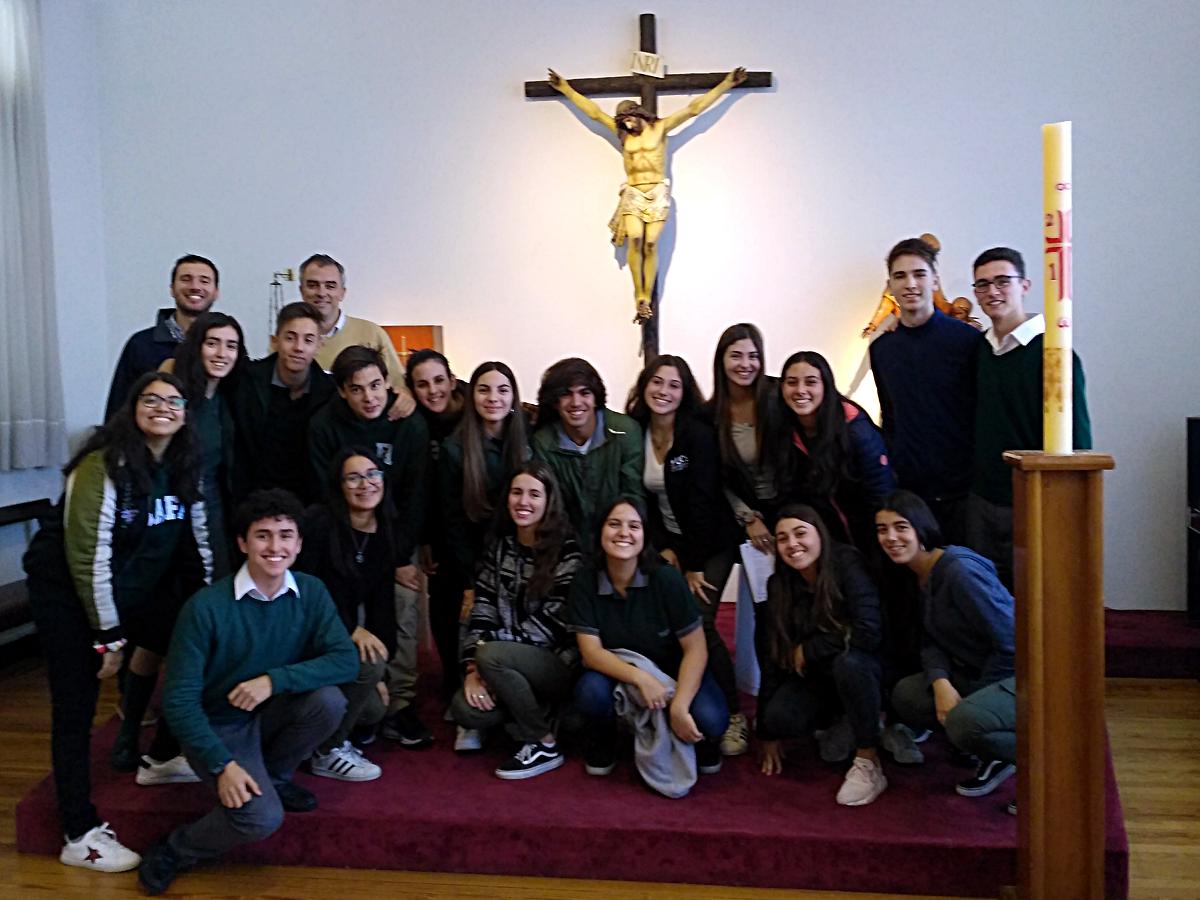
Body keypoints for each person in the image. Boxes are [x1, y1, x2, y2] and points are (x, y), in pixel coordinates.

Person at [23, 371, 212, 874]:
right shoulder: (101, 465)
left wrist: (209, 608)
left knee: (188, 639)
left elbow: (197, 543)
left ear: (186, 415)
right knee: (76, 703)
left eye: (174, 401)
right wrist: (108, 638)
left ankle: (161, 757)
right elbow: (88, 557)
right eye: (151, 399)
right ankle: (78, 833)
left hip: (129, 586)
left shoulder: (185, 466)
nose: (163, 407)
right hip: (68, 593)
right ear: (132, 408)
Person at [138, 489, 357, 894]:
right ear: (242, 543)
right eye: (263, 535)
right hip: (221, 725)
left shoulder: (311, 591)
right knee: (260, 819)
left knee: (329, 701)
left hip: (272, 710)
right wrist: (222, 764)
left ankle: (274, 777)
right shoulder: (205, 608)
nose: (275, 547)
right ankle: (176, 848)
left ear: (299, 543)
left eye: (286, 535)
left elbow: (346, 661)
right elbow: (179, 702)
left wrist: (274, 680)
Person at [547, 67, 747, 322]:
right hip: (633, 191)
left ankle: (647, 294)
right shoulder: (622, 132)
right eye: (623, 123)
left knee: (651, 242)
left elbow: (693, 109)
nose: (627, 125)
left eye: (629, 120)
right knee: (635, 237)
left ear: (638, 114)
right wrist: (565, 88)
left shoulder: (660, 128)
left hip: (657, 191)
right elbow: (594, 113)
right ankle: (639, 296)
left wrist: (727, 83)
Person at [307, 345, 431, 748]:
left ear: (388, 382)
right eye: (357, 389)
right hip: (339, 535)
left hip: (393, 535)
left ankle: (400, 702)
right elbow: (324, 491)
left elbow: (416, 493)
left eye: (376, 385)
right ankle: (361, 691)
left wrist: (399, 556)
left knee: (402, 603)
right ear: (342, 391)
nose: (369, 397)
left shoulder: (407, 421)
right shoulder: (324, 425)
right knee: (343, 607)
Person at [625, 354, 748, 757]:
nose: (664, 391)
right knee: (667, 617)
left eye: (674, 385)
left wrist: (693, 564)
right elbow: (646, 500)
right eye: (657, 382)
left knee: (702, 622)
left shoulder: (697, 434)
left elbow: (703, 502)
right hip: (671, 542)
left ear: (685, 392)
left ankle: (734, 713)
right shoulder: (637, 431)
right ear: (644, 385)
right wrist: (663, 547)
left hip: (712, 541)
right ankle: (680, 692)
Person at [568, 496, 728, 785]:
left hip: (673, 670)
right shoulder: (585, 580)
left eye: (634, 526)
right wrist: (641, 678)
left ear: (645, 535)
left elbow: (696, 649)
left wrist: (679, 705)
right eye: (614, 524)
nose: (624, 533)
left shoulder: (666, 579)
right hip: (618, 670)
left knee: (712, 720)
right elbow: (591, 653)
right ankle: (604, 739)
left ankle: (696, 737)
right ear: (600, 530)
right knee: (590, 692)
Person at [876, 490, 1017, 802]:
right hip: (981, 669)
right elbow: (932, 638)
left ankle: (1042, 758)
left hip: (1024, 674)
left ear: (921, 527)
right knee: (908, 696)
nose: (891, 537)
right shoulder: (918, 574)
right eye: (882, 529)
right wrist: (940, 682)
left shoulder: (959, 571)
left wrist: (975, 700)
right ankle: (991, 750)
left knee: (963, 722)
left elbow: (1012, 642)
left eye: (901, 527)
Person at [967, 246, 1092, 587]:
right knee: (984, 596)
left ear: (1025, 286)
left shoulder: (1054, 354)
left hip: (1033, 496)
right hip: (981, 497)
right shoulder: (978, 350)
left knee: (1036, 594)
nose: (992, 291)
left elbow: (1078, 440)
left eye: (1002, 281)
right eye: (982, 284)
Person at [451, 462, 583, 777]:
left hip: (555, 663)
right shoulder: (501, 547)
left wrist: (489, 655)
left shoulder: (568, 552)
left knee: (492, 656)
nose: (523, 502)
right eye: (517, 492)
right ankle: (532, 713)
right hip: (502, 660)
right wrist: (472, 670)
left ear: (549, 501)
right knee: (465, 710)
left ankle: (543, 742)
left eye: (534, 495)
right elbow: (483, 608)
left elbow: (552, 626)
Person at [756, 505, 888, 806]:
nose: (792, 544)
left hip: (865, 666)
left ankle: (868, 758)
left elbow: (868, 630)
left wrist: (811, 648)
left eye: (800, 533)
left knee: (850, 664)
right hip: (820, 675)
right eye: (782, 538)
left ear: (820, 535)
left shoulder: (847, 562)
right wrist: (766, 731)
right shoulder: (779, 584)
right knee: (779, 718)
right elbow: (771, 655)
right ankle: (844, 720)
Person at [295, 449, 400, 781]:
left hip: (337, 634)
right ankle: (328, 750)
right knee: (365, 663)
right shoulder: (318, 523)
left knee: (374, 708)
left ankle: (314, 732)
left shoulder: (385, 530)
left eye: (372, 474)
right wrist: (349, 628)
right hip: (305, 633)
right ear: (338, 486)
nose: (365, 484)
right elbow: (303, 590)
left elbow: (383, 604)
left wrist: (381, 675)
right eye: (353, 478)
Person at [869, 237, 983, 544]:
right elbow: (890, 416)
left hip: (964, 490)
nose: (910, 284)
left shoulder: (967, 341)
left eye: (919, 274)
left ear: (934, 280)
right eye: (900, 276)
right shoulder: (882, 349)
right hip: (910, 492)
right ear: (890, 286)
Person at [439, 363, 530, 679]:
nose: (493, 398)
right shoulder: (454, 449)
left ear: (513, 396)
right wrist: (471, 579)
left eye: (503, 390)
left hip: (518, 552)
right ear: (471, 396)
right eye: (484, 390)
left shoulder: (527, 439)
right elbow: (452, 521)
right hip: (470, 555)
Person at [776, 350, 896, 553]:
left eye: (811, 382)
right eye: (792, 382)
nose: (800, 390)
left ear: (826, 385)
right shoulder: (784, 429)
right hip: (825, 540)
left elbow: (881, 492)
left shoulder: (856, 429)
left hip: (870, 536)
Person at [405, 348, 470, 701]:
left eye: (439, 381)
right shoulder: (413, 422)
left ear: (452, 380)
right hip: (439, 527)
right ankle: (451, 680)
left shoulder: (474, 408)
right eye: (422, 384)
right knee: (444, 604)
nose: (433, 391)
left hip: (477, 522)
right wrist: (426, 538)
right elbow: (419, 486)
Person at [164, 310, 249, 578]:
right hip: (175, 508)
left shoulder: (226, 398)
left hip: (215, 505)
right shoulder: (174, 396)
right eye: (212, 343)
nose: (222, 353)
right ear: (196, 346)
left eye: (231, 346)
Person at [228, 301, 334, 505]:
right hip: (250, 501)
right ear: (275, 341)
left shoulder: (330, 393)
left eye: (308, 340)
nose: (298, 348)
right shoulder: (246, 382)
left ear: (319, 345)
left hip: (309, 504)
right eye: (290, 338)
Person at [531, 358, 643, 550]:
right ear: (554, 402)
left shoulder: (625, 431)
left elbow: (634, 495)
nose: (576, 402)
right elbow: (552, 506)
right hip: (567, 544)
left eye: (585, 393)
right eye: (566, 394)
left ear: (596, 398)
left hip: (621, 540)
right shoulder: (543, 442)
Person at [105, 254, 219, 420]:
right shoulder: (141, 344)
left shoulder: (225, 349)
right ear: (172, 289)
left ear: (216, 292)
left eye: (204, 281)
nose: (195, 286)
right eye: (186, 279)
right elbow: (119, 408)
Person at [301, 253, 415, 417]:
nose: (321, 292)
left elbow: (400, 387)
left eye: (330, 286)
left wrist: (406, 397)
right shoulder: (292, 340)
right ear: (302, 291)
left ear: (343, 292)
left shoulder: (373, 333)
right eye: (313, 285)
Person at [707, 323, 781, 551]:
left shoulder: (778, 395)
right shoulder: (709, 414)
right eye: (736, 356)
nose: (746, 364)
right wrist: (748, 517)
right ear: (721, 360)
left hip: (791, 507)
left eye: (753, 356)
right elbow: (715, 478)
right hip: (739, 513)